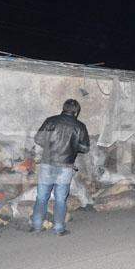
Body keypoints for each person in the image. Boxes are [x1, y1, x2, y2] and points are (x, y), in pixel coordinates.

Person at [30, 99, 90, 236]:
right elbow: (85, 148)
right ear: (76, 112)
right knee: (60, 199)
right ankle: (58, 229)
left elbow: (38, 139)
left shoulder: (50, 121)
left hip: (47, 164)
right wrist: (73, 145)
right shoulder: (80, 126)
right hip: (65, 166)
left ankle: (36, 225)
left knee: (41, 197)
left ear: (63, 108)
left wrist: (50, 146)